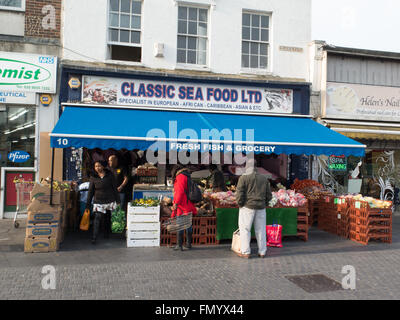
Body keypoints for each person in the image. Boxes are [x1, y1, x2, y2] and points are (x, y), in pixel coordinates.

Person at [235, 158, 272, 259]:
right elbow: (269, 195)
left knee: (245, 229)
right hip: (261, 207)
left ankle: (246, 252)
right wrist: (265, 202)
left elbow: (239, 193)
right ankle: (262, 252)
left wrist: (240, 204)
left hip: (247, 206)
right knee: (260, 230)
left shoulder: (243, 178)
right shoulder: (264, 178)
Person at [86, 161, 120, 244]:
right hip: (98, 200)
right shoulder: (93, 177)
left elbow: (114, 188)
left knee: (107, 217)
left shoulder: (110, 175)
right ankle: (94, 237)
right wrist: (88, 204)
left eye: (99, 166)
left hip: (109, 199)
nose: (97, 168)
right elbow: (91, 191)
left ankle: (106, 233)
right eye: (96, 166)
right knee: (97, 217)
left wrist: (118, 200)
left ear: (103, 167)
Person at [170, 164, 198, 251]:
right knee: (188, 224)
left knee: (180, 224)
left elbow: (180, 191)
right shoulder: (186, 175)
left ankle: (179, 244)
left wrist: (176, 203)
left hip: (183, 205)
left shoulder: (180, 177)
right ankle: (188, 244)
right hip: (187, 204)